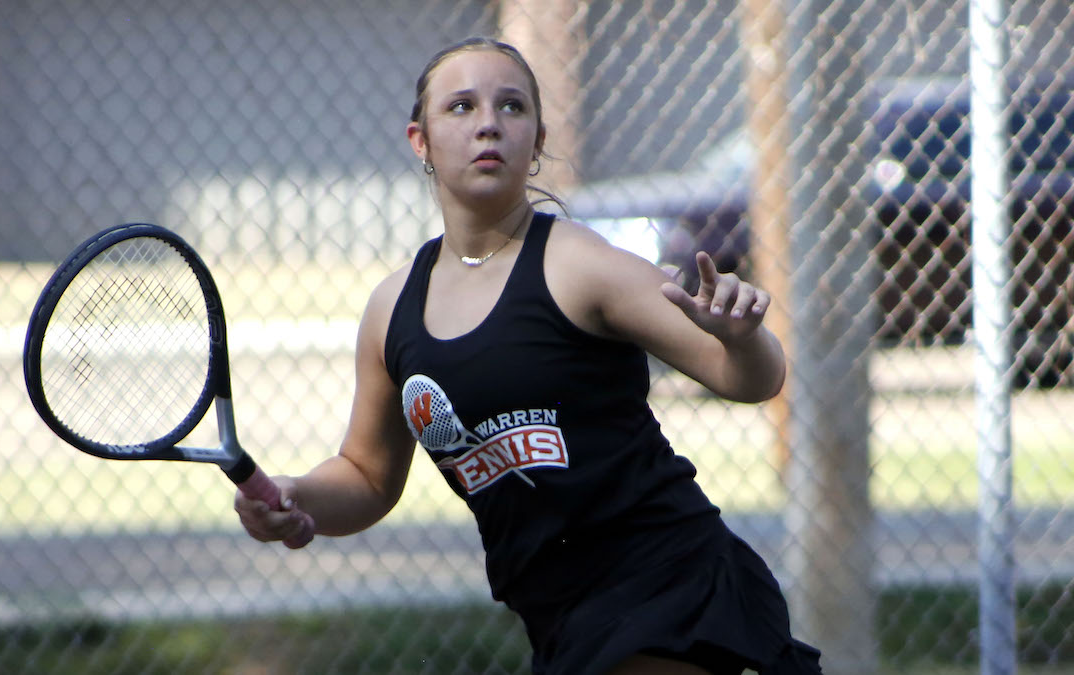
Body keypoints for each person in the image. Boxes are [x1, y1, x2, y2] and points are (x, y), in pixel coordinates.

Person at [234, 36, 824, 675]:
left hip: (669, 586)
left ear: (537, 141)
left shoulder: (577, 264)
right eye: (461, 107)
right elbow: (368, 478)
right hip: (564, 621)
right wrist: (298, 497)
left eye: (511, 107)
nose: (488, 122)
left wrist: (741, 337)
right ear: (420, 140)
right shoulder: (391, 310)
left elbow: (750, 378)